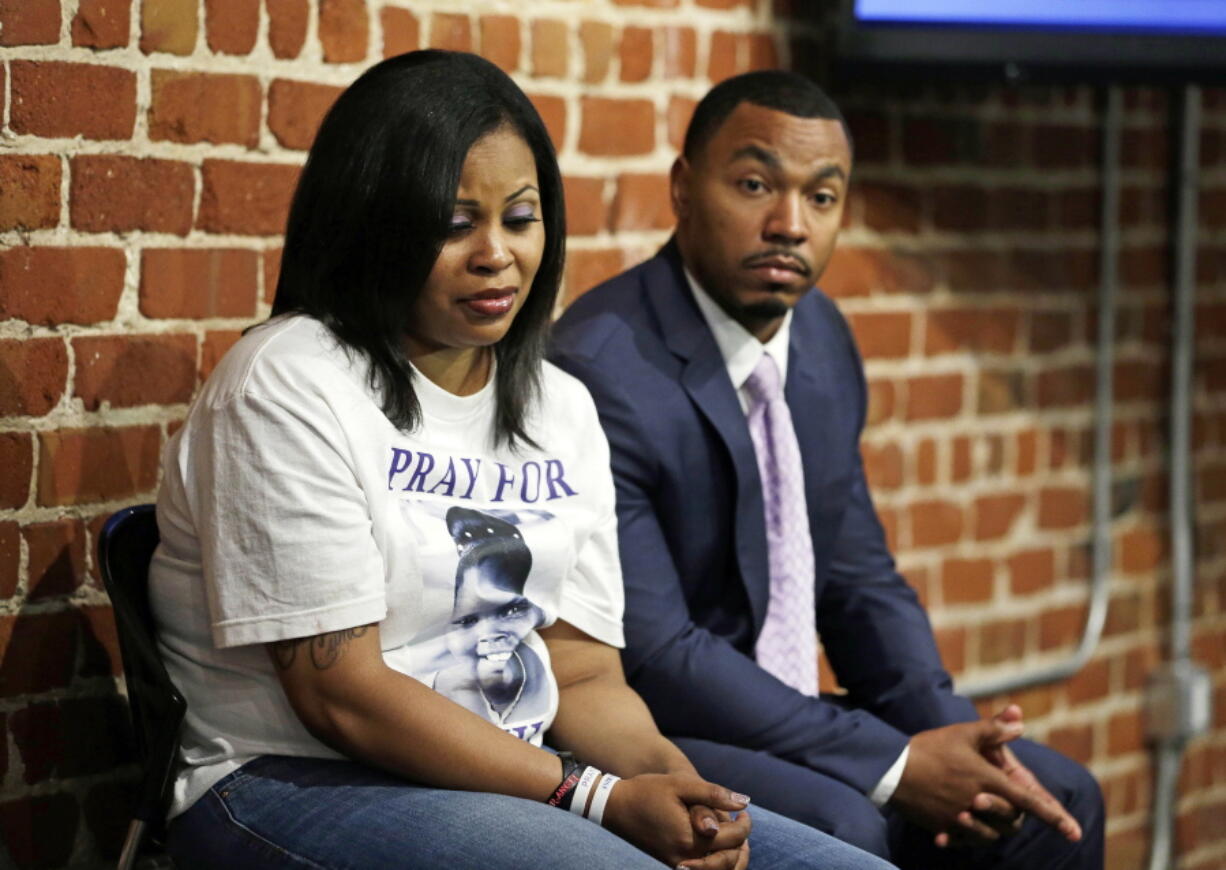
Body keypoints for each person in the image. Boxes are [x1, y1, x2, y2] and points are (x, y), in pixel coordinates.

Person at [146, 51, 893, 870]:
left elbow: (579, 673)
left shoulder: (558, 406)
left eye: (520, 217)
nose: (496, 254)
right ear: (374, 220)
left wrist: (674, 788)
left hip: (523, 782)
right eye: (456, 221)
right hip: (297, 783)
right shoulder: (289, 381)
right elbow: (341, 697)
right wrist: (595, 796)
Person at [549, 69, 1105, 869]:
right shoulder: (603, 365)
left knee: (1052, 799)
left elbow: (857, 579)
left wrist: (954, 736)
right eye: (754, 185)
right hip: (655, 725)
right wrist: (898, 766)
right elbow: (661, 653)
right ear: (683, 188)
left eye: (821, 197)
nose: (788, 224)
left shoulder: (822, 342)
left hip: (784, 711)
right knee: (848, 826)